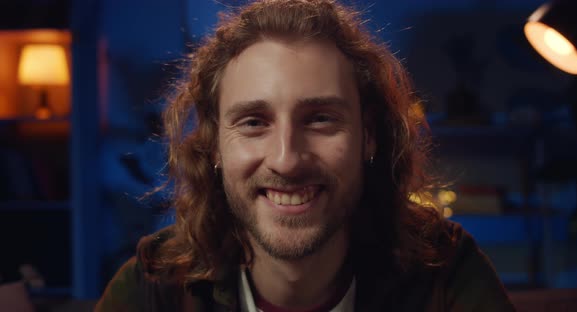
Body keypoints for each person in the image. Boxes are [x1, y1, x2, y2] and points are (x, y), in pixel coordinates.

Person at [95, 0, 515, 311]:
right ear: (213, 146)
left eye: (319, 119)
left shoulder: (443, 272)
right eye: (254, 122)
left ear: (369, 137)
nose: (287, 159)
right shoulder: (156, 287)